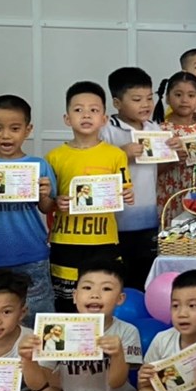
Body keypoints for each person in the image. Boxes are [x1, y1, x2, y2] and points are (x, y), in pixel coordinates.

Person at [10, 262, 147, 391]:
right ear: (75, 296)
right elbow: (38, 384)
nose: (95, 294)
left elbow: (116, 382)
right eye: (87, 287)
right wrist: (28, 359)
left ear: (120, 299)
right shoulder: (57, 329)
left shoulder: (126, 331)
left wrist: (118, 355)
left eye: (106, 289)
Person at [0, 95, 56, 327]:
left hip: (31, 254)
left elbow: (47, 208)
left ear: (28, 130)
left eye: (15, 128)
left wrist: (45, 195)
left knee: (35, 320)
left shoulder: (39, 165)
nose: (6, 135)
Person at [46, 82, 134, 312]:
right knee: (66, 304)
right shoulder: (54, 157)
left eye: (93, 110)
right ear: (67, 118)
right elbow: (45, 204)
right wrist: (56, 202)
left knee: (102, 301)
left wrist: (126, 194)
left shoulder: (115, 155)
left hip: (103, 240)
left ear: (104, 118)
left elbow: (123, 191)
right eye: (78, 110)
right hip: (66, 240)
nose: (86, 115)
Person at [101, 67, 178, 291]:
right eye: (137, 99)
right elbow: (96, 168)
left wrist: (174, 156)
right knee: (118, 275)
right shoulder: (107, 130)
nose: (145, 104)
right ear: (117, 103)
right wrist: (121, 153)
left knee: (145, 273)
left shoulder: (154, 128)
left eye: (149, 98)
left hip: (148, 216)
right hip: (117, 220)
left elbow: (155, 170)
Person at [154, 71, 196, 215]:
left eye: (191, 95)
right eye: (178, 95)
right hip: (168, 194)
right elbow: (150, 171)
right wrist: (171, 161)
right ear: (167, 98)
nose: (184, 100)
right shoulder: (159, 131)